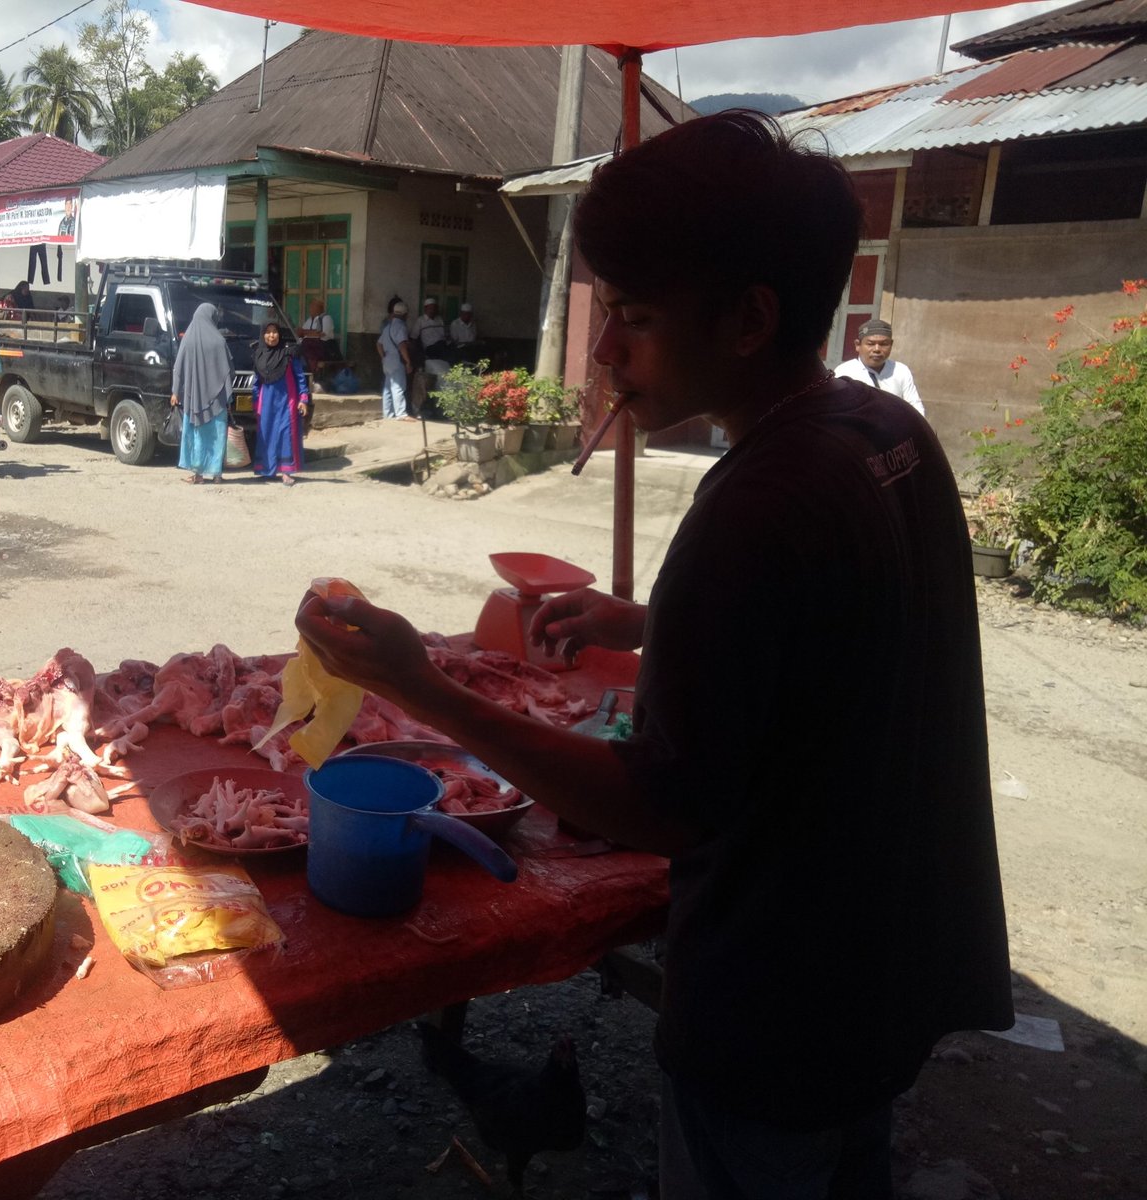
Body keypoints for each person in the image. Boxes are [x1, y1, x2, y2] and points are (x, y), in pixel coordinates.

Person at [294, 111, 1012, 1200]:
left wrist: (417, 684)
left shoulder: (758, 502)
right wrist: (650, 619)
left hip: (778, 1006)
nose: (602, 351)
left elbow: (660, 807)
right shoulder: (883, 434)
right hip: (886, 970)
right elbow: (841, 634)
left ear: (748, 320)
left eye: (632, 317)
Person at [171, 302, 232, 485]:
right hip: (217, 399)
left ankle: (198, 475)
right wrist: (226, 393)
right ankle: (217, 473)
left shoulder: (188, 339)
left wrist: (175, 392)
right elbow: (229, 370)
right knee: (217, 435)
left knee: (196, 434)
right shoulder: (219, 341)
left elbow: (178, 368)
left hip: (194, 398)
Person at [250, 321, 311, 486]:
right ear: (263, 335)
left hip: (287, 402)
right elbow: (256, 382)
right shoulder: (259, 354)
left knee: (286, 434)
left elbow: (300, 377)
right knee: (267, 434)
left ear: (280, 334)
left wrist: (303, 399)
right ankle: (267, 470)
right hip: (266, 402)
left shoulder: (289, 354)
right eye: (268, 332)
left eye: (275, 332)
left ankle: (286, 472)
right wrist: (255, 403)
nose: (272, 335)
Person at [834, 318, 925, 416]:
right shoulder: (844, 372)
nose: (877, 349)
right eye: (870, 344)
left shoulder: (900, 371)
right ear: (858, 345)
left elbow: (915, 405)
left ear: (891, 345)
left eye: (883, 344)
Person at [409, 297, 449, 415]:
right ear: (425, 309)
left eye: (434, 308)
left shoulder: (439, 320)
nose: (433, 310)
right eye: (430, 308)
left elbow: (446, 335)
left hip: (441, 347)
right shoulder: (420, 321)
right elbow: (413, 338)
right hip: (430, 348)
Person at [376, 299, 415, 421]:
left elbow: (378, 344)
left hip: (387, 360)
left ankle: (388, 414)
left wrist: (383, 357)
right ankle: (401, 414)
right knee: (398, 386)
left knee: (388, 388)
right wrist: (408, 362)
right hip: (396, 360)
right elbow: (402, 345)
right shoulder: (401, 327)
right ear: (404, 314)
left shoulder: (387, 327)